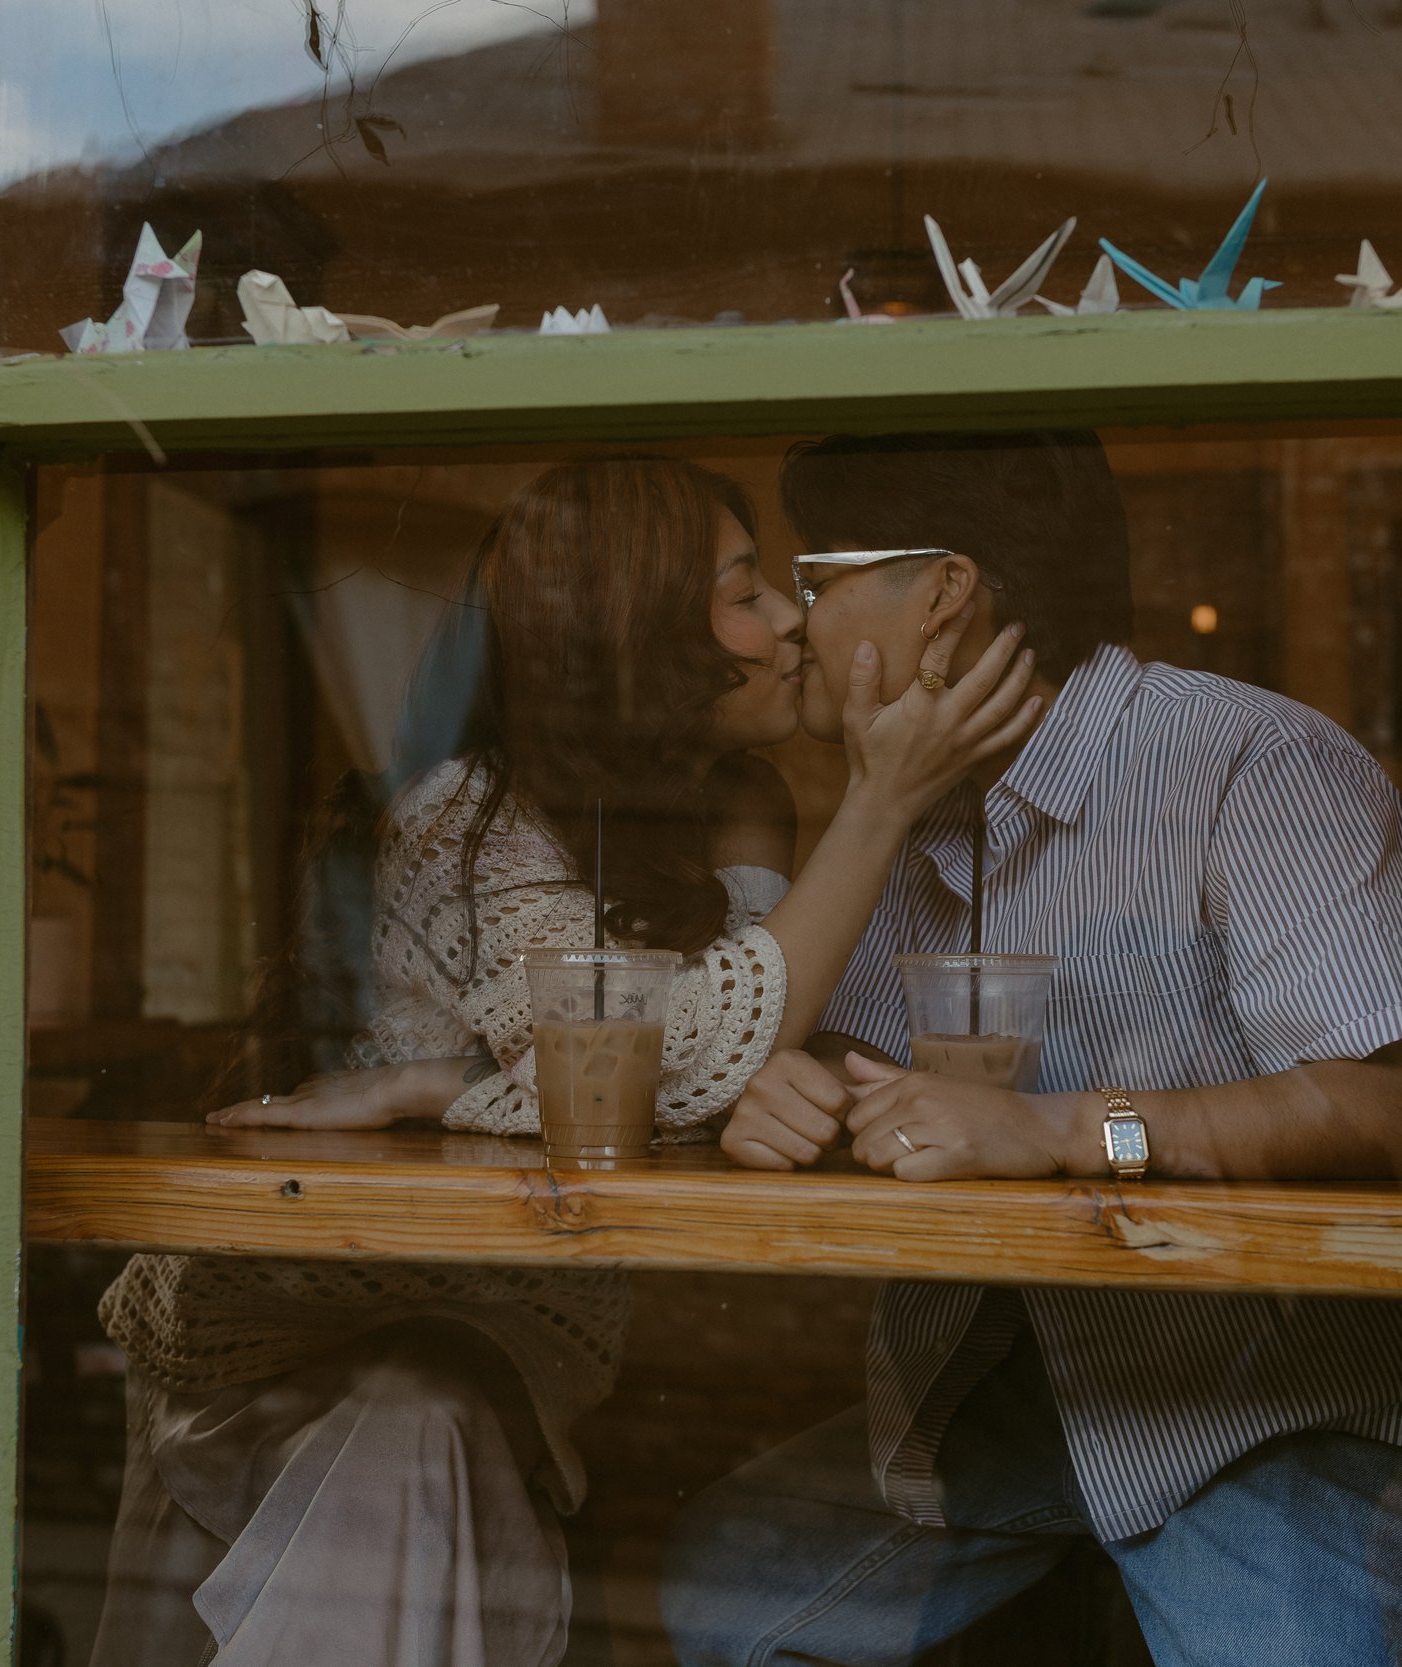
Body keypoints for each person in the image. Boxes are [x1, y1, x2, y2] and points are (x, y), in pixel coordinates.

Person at [88, 458, 1042, 1667]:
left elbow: (719, 1059)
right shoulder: (465, 812)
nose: (791, 619)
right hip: (286, 1348)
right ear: (633, 631)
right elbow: (681, 1071)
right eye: (744, 591)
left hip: (483, 1347)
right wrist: (879, 803)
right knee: (415, 1425)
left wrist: (444, 1091)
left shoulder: (733, 805)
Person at [662, 431, 1402, 1667]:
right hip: (1022, 1401)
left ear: (946, 592)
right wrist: (787, 1096)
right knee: (717, 1590)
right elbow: (851, 1066)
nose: (793, 624)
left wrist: (1071, 1126)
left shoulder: (1244, 758)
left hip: (1290, 1412)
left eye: (815, 580)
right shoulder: (900, 799)